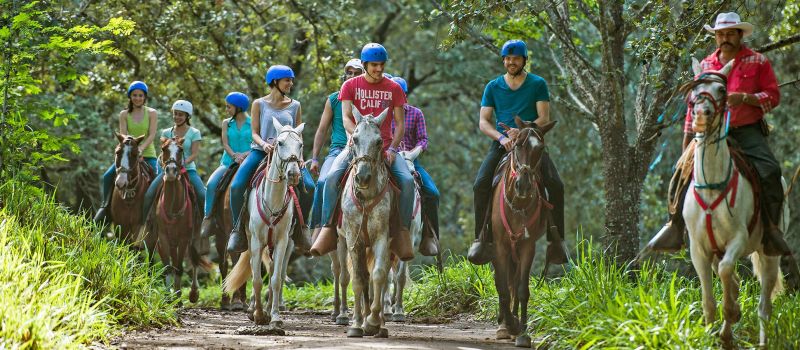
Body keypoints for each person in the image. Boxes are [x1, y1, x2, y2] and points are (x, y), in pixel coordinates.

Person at [646, 12, 791, 256]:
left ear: (740, 35)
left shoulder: (758, 61)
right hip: (709, 133)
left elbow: (773, 96)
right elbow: (695, 104)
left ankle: (771, 230)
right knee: (679, 174)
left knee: (770, 171)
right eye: (720, 34)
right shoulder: (705, 65)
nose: (725, 38)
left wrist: (745, 98)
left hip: (746, 131)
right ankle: (674, 226)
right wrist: (688, 142)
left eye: (730, 33)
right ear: (715, 37)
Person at [309, 42, 417, 261]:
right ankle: (327, 228)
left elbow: (400, 124)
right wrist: (356, 135)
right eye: (374, 65)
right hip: (356, 147)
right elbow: (346, 117)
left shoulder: (394, 88)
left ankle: (402, 232)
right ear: (365, 65)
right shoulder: (350, 86)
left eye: (382, 64)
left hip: (383, 147)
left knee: (407, 182)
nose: (379, 68)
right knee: (330, 179)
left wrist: (393, 148)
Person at [467, 39, 568, 265]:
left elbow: (544, 117)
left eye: (516, 58)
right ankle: (482, 239)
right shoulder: (493, 87)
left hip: (529, 144)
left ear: (524, 60)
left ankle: (556, 242)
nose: (511, 62)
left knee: (556, 185)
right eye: (508, 59)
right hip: (503, 144)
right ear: (503, 60)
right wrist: (502, 138)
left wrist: (522, 131)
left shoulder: (537, 84)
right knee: (480, 184)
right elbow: (484, 121)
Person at [226, 65, 315, 254]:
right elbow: (254, 132)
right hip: (261, 152)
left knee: (310, 186)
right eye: (287, 80)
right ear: (275, 81)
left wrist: (299, 157)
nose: (291, 83)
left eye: (291, 80)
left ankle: (302, 229)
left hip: (289, 155)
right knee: (236, 186)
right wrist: (264, 144)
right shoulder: (259, 104)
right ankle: (237, 230)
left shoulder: (295, 105)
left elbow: (298, 135)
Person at [308, 59, 364, 239]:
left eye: (357, 73)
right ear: (344, 75)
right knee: (323, 181)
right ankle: (320, 228)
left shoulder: (367, 98)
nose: (352, 76)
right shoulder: (333, 99)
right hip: (338, 149)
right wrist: (315, 158)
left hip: (363, 150)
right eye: (349, 73)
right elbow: (322, 130)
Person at [94, 81, 158, 223]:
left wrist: (140, 149)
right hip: (128, 155)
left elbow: (152, 135)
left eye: (140, 95)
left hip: (148, 154)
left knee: (158, 178)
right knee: (107, 176)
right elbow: (123, 136)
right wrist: (131, 150)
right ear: (130, 96)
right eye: (134, 95)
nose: (137, 98)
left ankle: (156, 211)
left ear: (145, 97)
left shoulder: (152, 113)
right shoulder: (124, 114)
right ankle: (105, 206)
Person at [390, 76, 440, 256]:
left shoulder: (416, 113)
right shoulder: (383, 115)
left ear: (405, 95)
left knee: (432, 193)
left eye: (400, 93)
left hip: (411, 161)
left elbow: (423, 139)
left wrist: (413, 153)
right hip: (389, 159)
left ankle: (430, 236)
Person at [142, 100, 206, 226]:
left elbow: (194, 154)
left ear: (187, 116)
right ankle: (144, 224)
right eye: (175, 114)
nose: (177, 117)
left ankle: (204, 224)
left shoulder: (194, 133)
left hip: (188, 169)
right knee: (149, 194)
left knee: (201, 194)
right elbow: (164, 153)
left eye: (180, 114)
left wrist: (182, 163)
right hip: (168, 170)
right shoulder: (166, 132)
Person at [200, 92, 252, 238]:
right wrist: (235, 155)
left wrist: (244, 155)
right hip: (229, 162)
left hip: (248, 162)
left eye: (229, 107)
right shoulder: (226, 123)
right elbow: (225, 143)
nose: (226, 110)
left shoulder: (253, 122)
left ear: (238, 107)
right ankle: (208, 218)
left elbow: (256, 143)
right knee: (211, 184)